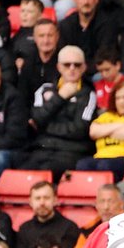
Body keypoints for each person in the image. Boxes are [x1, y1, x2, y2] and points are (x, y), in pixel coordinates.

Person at [27, 46, 99, 177]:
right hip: (42, 149)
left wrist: (46, 128)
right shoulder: (44, 89)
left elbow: (80, 130)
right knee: (20, 173)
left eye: (77, 65)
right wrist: (60, 97)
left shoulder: (89, 95)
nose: (72, 68)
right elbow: (37, 117)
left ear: (84, 68)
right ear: (59, 67)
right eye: (67, 65)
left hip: (71, 152)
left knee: (45, 172)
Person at [14, 181, 82, 248]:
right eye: (37, 198)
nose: (42, 203)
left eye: (46, 198)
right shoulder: (24, 229)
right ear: (30, 202)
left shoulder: (69, 228)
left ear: (55, 200)